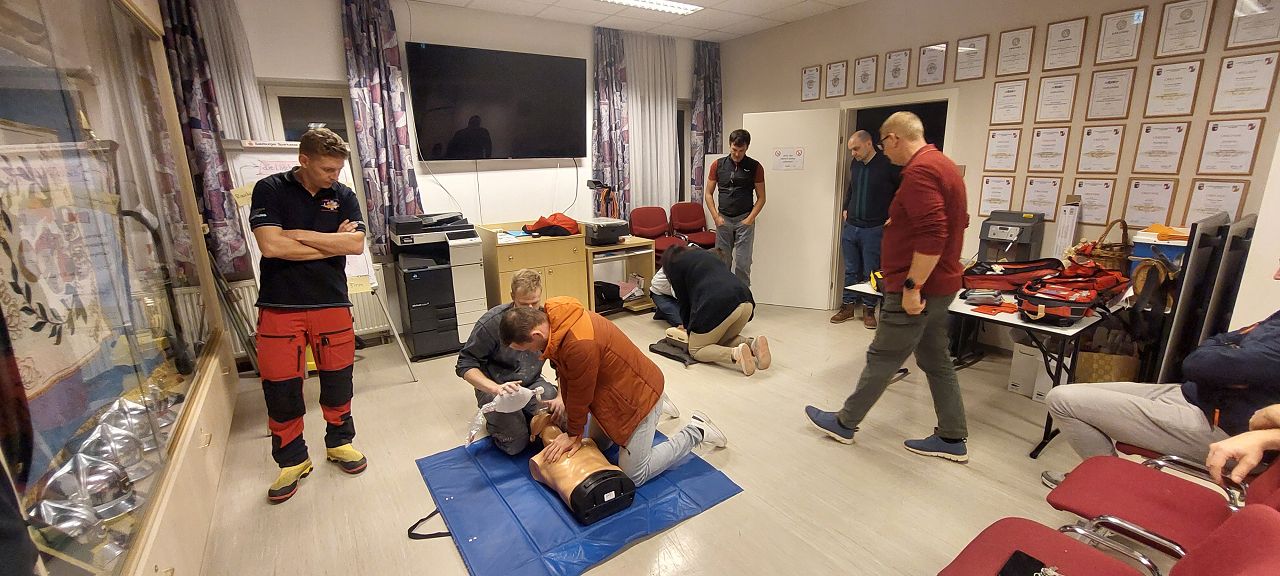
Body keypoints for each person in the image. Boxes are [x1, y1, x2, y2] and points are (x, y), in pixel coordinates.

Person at [804, 111, 971, 462]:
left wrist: (912, 286)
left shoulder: (920, 171)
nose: (884, 151)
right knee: (936, 358)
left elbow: (933, 234)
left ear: (894, 138)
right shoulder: (943, 165)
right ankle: (952, 436)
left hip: (920, 288)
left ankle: (845, 423)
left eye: (884, 144)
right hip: (940, 285)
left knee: (883, 356)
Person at [249, 128, 369, 503]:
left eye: (338, 169)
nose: (334, 176)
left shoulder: (343, 196)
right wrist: (332, 243)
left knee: (338, 380)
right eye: (327, 169)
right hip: (280, 306)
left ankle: (339, 443)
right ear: (304, 160)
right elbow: (271, 246)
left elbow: (355, 244)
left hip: (331, 302)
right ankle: (292, 460)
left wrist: (297, 234)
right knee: (281, 387)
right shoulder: (269, 189)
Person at [499, 298, 727, 487]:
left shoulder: (579, 344)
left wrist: (573, 434)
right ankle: (661, 405)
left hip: (638, 396)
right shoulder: (557, 319)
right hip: (616, 389)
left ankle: (697, 430)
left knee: (634, 475)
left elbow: (580, 392)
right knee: (596, 446)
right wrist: (569, 418)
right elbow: (567, 373)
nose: (527, 353)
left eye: (524, 348)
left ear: (536, 335)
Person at [1041, 308, 1280, 487]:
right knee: (1077, 395)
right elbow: (1216, 344)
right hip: (1193, 394)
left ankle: (1110, 490)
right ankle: (1100, 475)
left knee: (1061, 399)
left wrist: (1222, 353)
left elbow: (1199, 364)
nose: (1276, 275)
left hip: (1222, 429)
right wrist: (1222, 353)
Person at [455, 269, 563, 455]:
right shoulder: (492, 322)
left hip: (532, 383)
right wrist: (495, 388)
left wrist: (561, 397)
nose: (530, 310)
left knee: (560, 421)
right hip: (497, 387)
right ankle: (502, 422)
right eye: (523, 304)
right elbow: (465, 364)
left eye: (535, 303)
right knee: (516, 444)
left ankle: (527, 417)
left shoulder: (546, 320)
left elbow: (562, 363)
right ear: (512, 296)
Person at [662, 245, 770, 376]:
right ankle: (752, 344)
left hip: (717, 303)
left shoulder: (675, 266)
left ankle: (735, 354)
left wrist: (688, 328)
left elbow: (684, 302)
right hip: (746, 300)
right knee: (720, 339)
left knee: (696, 349)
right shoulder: (707, 255)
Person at [832, 131, 898, 329]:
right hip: (852, 225)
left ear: (869, 144)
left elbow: (901, 191)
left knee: (871, 271)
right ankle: (848, 306)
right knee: (850, 269)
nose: (853, 153)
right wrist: (846, 207)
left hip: (875, 227)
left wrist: (896, 215)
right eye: (851, 149)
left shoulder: (887, 164)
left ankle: (869, 310)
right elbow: (852, 188)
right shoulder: (856, 164)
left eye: (856, 149)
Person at [705, 129, 766, 285]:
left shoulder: (755, 167)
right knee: (722, 262)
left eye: (741, 150)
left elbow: (761, 198)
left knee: (743, 264)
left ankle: (743, 297)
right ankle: (723, 296)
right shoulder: (717, 165)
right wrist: (715, 217)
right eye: (734, 149)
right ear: (729, 145)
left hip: (744, 220)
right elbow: (708, 194)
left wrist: (750, 219)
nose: (737, 154)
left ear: (747, 148)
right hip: (723, 220)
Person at [1207, 403, 1280, 485]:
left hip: (1262, 459)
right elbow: (1256, 421)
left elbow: (1259, 420)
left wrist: (1268, 437)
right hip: (1245, 437)